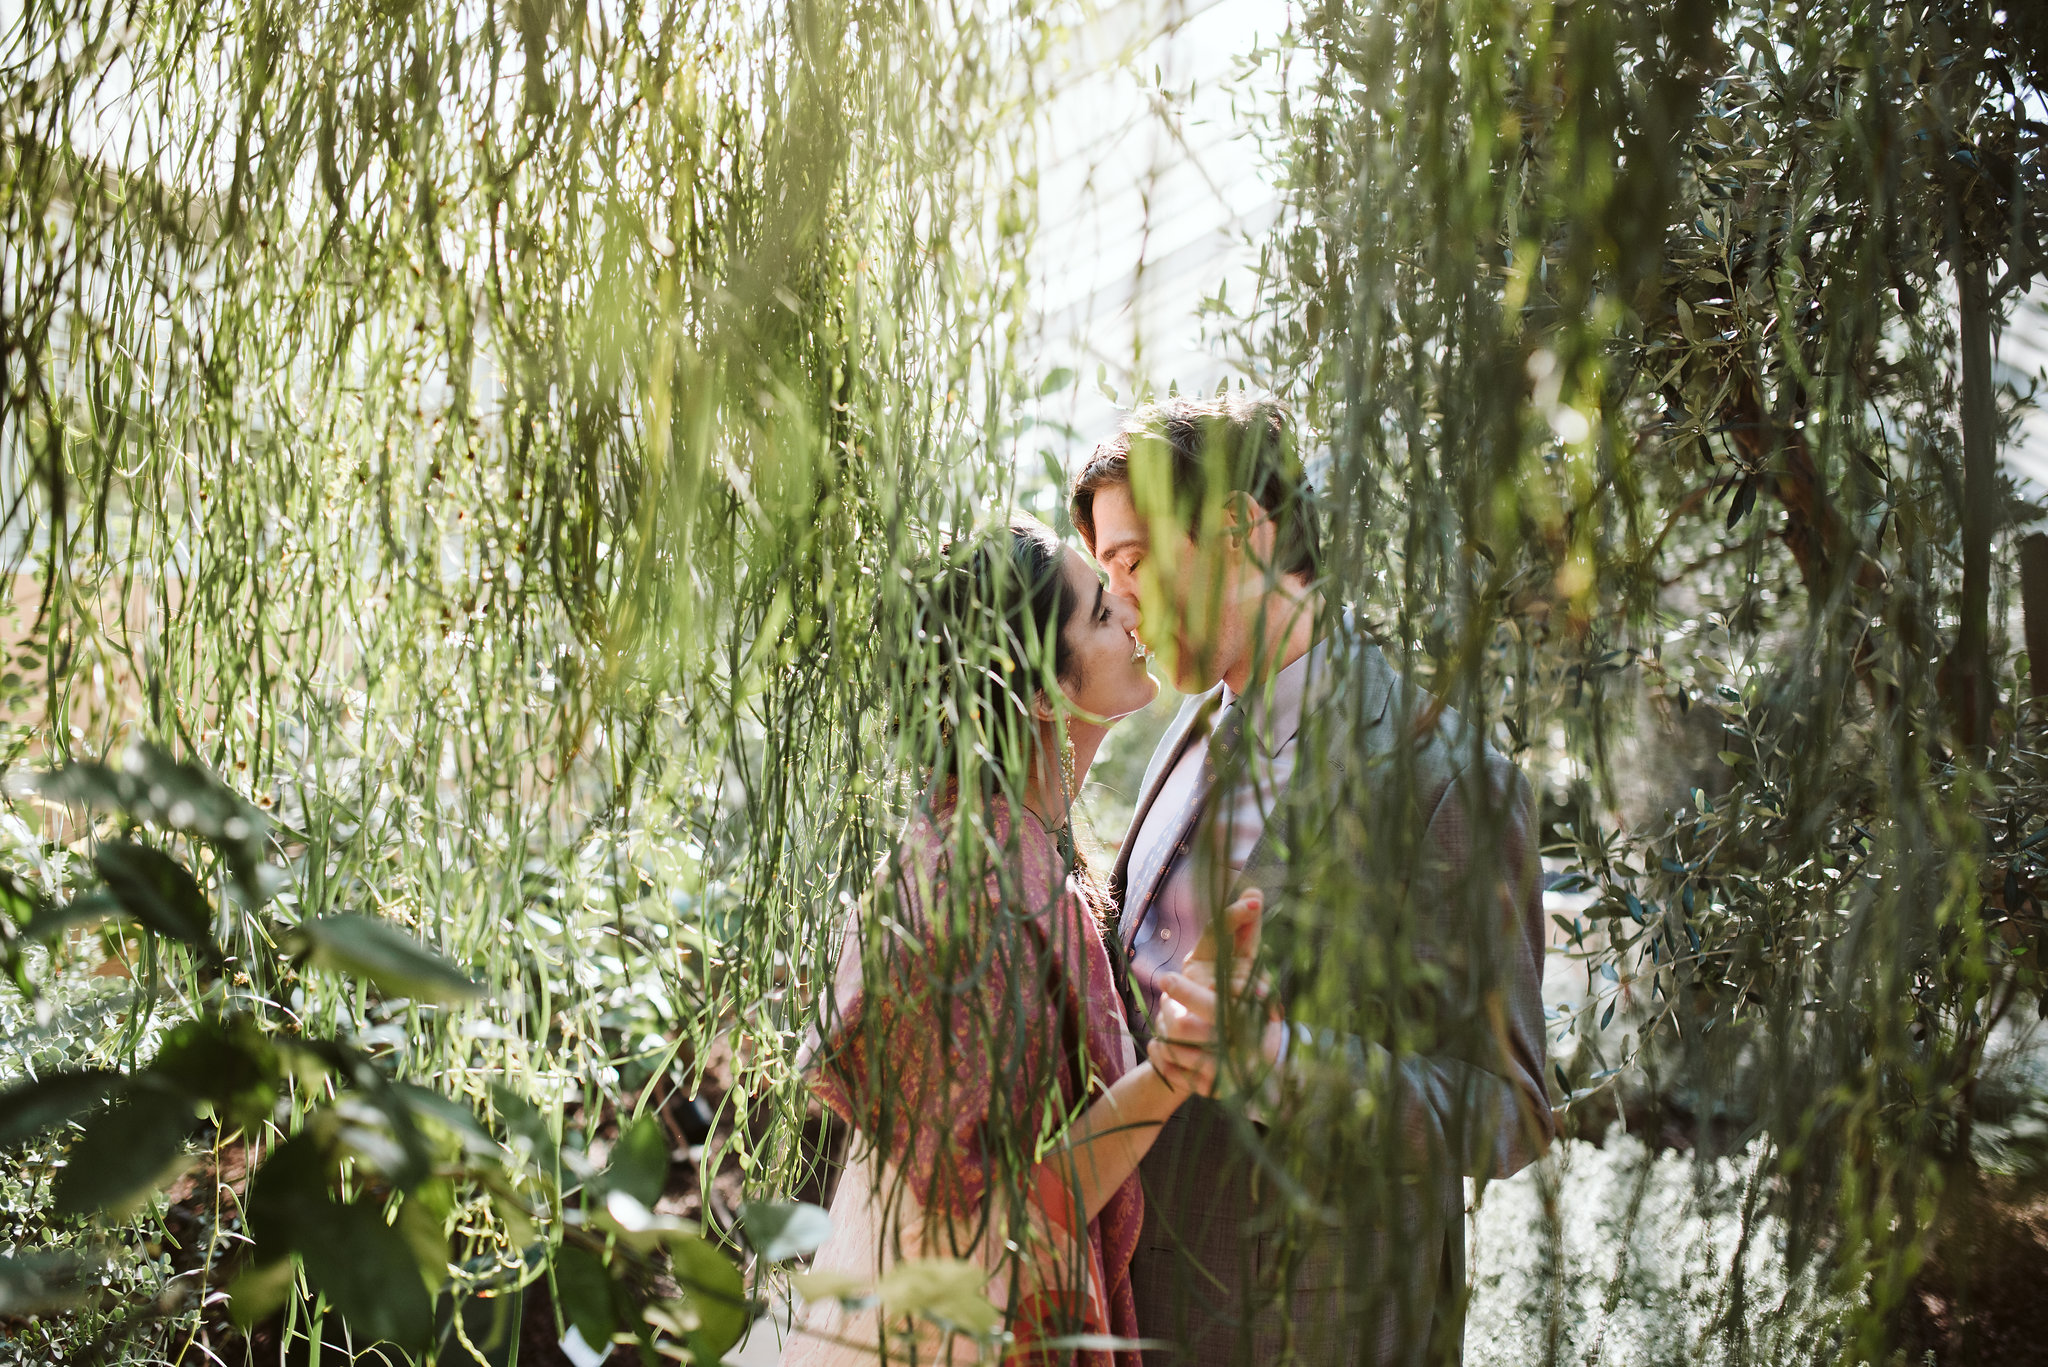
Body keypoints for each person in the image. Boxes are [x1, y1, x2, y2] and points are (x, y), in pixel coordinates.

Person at [1069, 396, 1556, 1366]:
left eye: (1133, 560)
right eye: (1104, 571)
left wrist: (1279, 1057)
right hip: (1136, 1313)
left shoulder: (1445, 778)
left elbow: (1508, 1110)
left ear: (1245, 530)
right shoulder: (1190, 722)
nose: (1118, 598)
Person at [785, 520, 1263, 1367]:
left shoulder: (1024, 845)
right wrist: (1175, 1070)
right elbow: (1006, 1206)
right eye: (1096, 607)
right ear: (1041, 692)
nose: (1129, 605)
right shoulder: (976, 890)